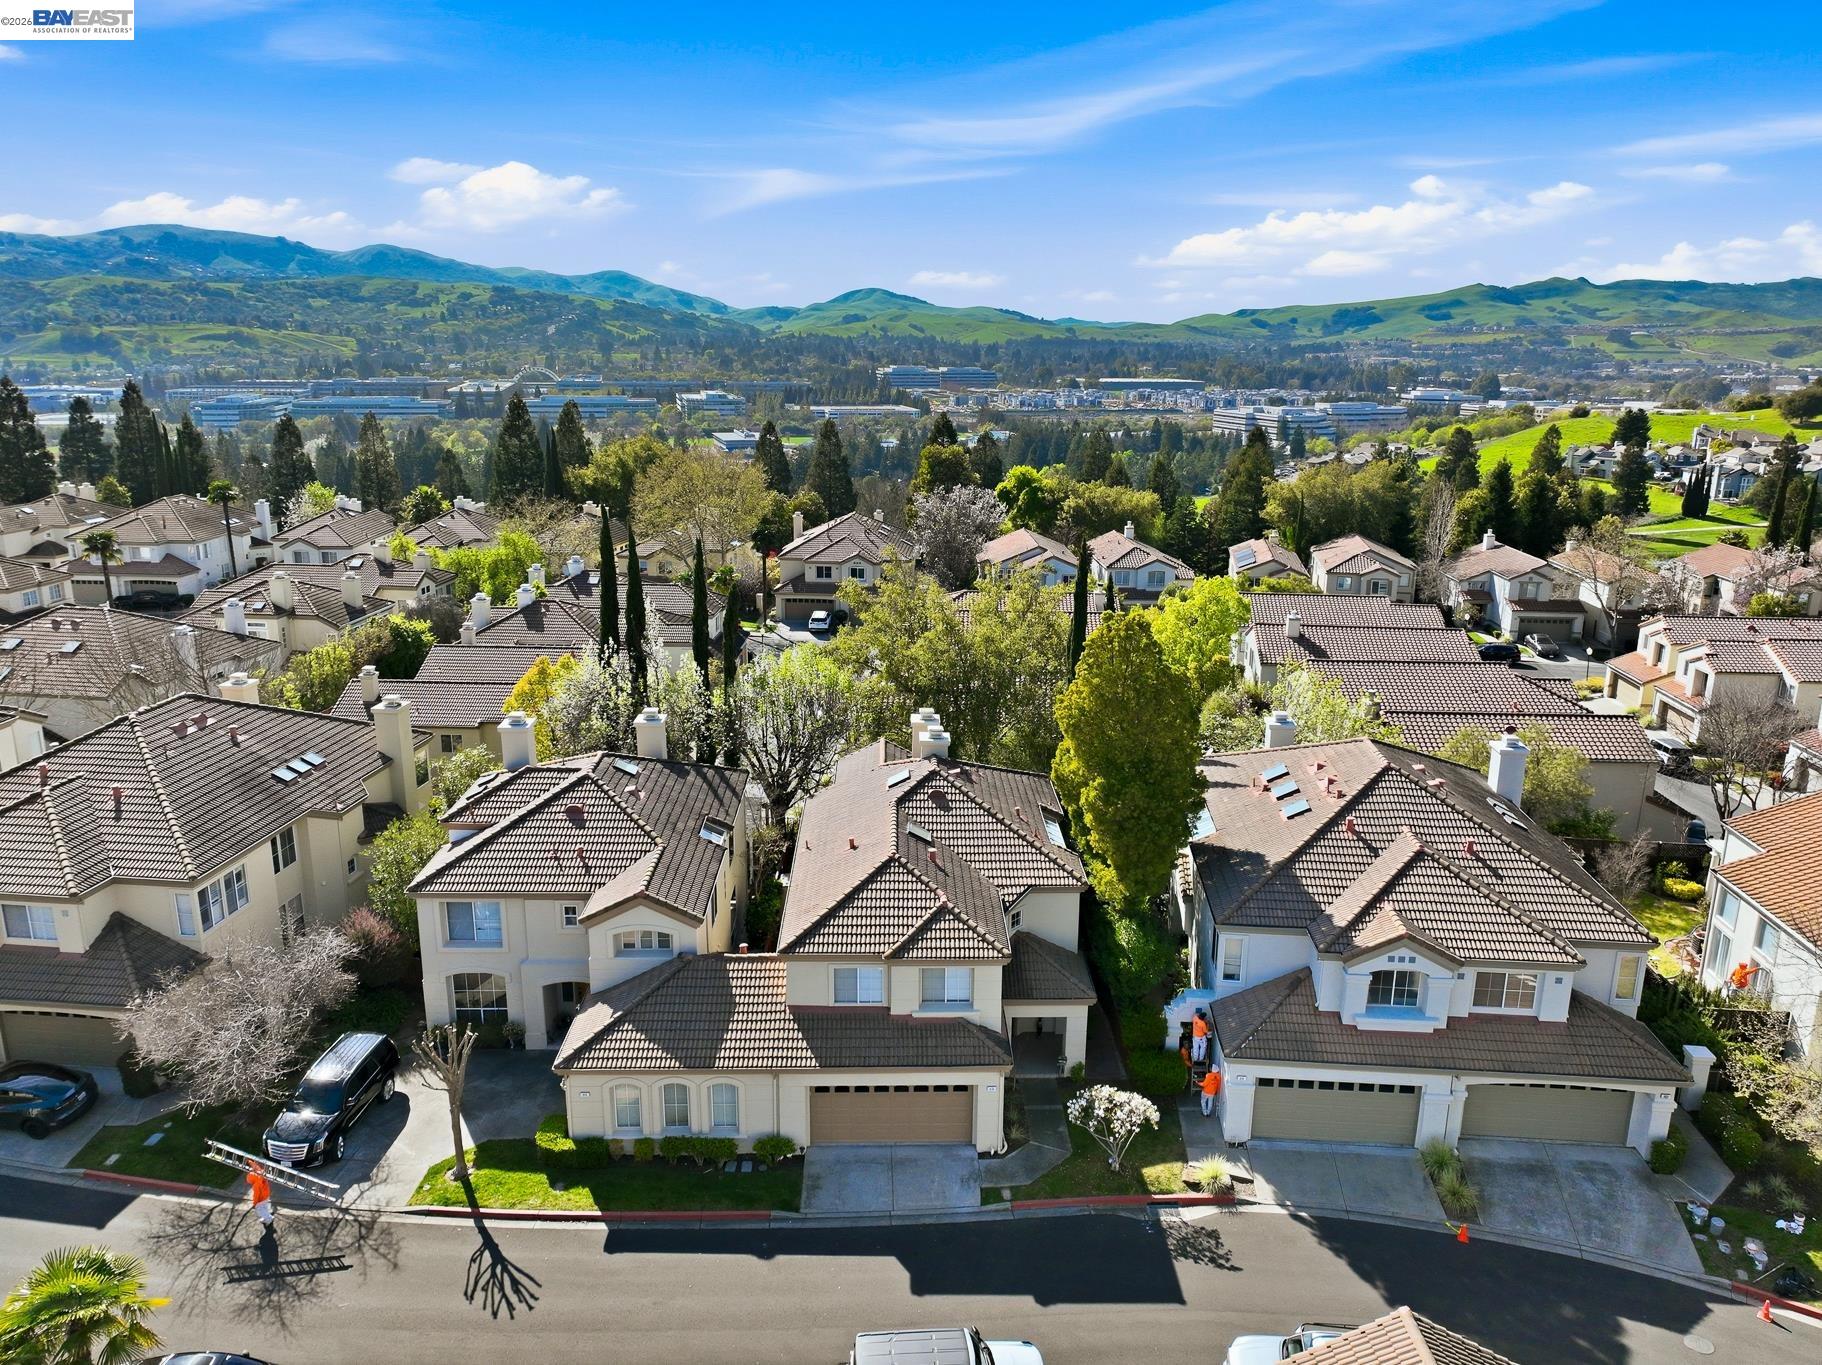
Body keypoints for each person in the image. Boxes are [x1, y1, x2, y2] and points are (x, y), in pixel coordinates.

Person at [247, 1162, 274, 1228]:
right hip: (266, 1195)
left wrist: (255, 1203)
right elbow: (254, 1165)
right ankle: (268, 1217)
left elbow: (256, 1195)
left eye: (250, 1182)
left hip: (261, 1199)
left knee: (260, 1210)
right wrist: (249, 1161)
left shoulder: (256, 1185)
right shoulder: (260, 1174)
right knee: (264, 1208)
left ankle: (268, 1219)